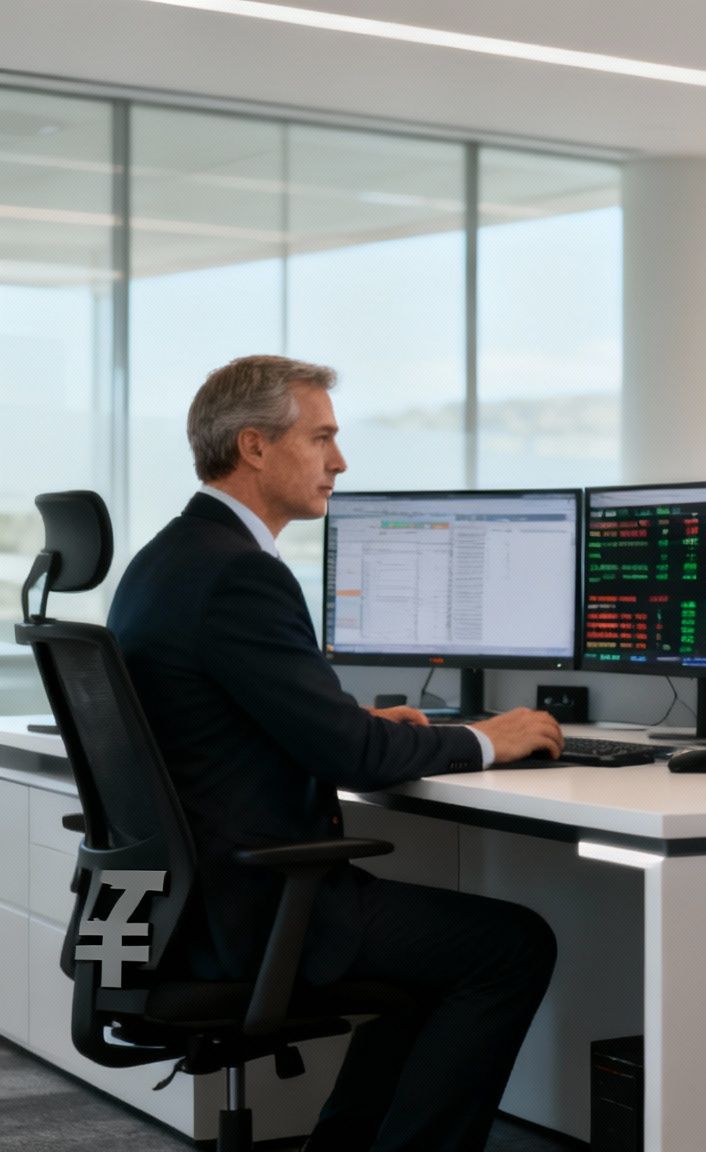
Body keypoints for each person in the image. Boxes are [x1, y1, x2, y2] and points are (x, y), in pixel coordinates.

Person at [108, 354, 568, 1151]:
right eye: (321, 438)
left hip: (187, 902)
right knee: (510, 947)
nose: (339, 461)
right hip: (246, 907)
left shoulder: (171, 558)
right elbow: (351, 758)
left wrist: (352, 718)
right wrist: (485, 740)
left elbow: (238, 716)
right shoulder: (239, 575)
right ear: (254, 447)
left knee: (438, 960)